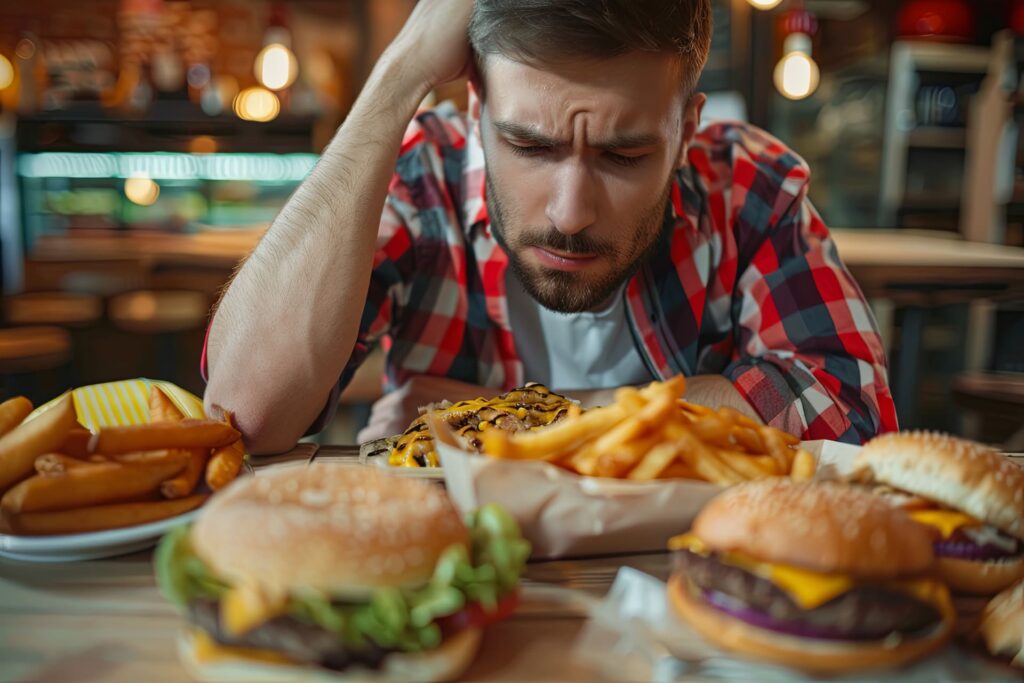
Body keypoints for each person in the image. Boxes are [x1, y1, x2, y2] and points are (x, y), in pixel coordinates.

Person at [203, 0, 897, 454]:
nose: (570, 213)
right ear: (475, 106)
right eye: (530, 147)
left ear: (687, 128)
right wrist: (400, 75)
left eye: (624, 155)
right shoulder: (421, 178)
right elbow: (244, 411)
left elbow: (852, 404)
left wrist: (513, 417)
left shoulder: (749, 187)